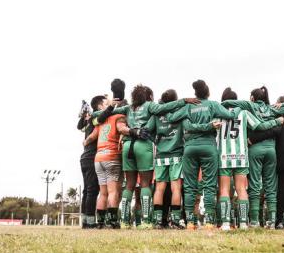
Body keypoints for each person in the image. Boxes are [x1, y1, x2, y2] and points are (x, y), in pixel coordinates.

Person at [93, 83, 197, 228]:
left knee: (129, 185)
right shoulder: (149, 106)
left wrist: (104, 110)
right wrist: (184, 100)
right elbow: (165, 107)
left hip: (128, 145)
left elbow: (102, 114)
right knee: (145, 184)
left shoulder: (128, 108)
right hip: (143, 144)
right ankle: (147, 221)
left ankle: (124, 222)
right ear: (147, 96)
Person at [166, 80, 238, 229]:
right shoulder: (212, 105)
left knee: (190, 186)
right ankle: (210, 223)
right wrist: (238, 109)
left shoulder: (188, 106)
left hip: (190, 149)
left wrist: (184, 107)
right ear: (208, 92)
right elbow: (229, 115)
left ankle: (191, 223)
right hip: (209, 148)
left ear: (195, 93)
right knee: (210, 185)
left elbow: (171, 118)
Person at [215, 87, 283, 230]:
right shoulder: (244, 112)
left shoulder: (217, 111)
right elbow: (260, 126)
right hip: (241, 155)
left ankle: (226, 223)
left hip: (224, 156)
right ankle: (244, 223)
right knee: (241, 188)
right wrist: (276, 122)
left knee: (225, 190)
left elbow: (212, 129)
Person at [145, 89, 186, 228]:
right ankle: (175, 221)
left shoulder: (157, 115)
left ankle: (157, 222)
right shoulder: (179, 113)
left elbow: (146, 130)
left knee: (159, 189)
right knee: (176, 189)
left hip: (160, 156)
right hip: (176, 155)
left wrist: (155, 140)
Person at [85, 99, 129, 228]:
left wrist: (85, 142)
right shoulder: (119, 117)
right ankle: (112, 221)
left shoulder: (101, 120)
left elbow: (90, 138)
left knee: (103, 193)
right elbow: (122, 130)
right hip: (112, 157)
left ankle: (100, 222)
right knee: (113, 191)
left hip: (99, 159)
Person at [77, 95, 111, 228]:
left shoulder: (87, 121)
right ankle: (90, 223)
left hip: (84, 158)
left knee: (87, 191)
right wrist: (112, 106)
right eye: (105, 104)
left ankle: (85, 222)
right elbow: (102, 117)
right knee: (92, 191)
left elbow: (79, 126)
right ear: (99, 106)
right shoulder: (95, 119)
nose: (106, 106)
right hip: (91, 158)